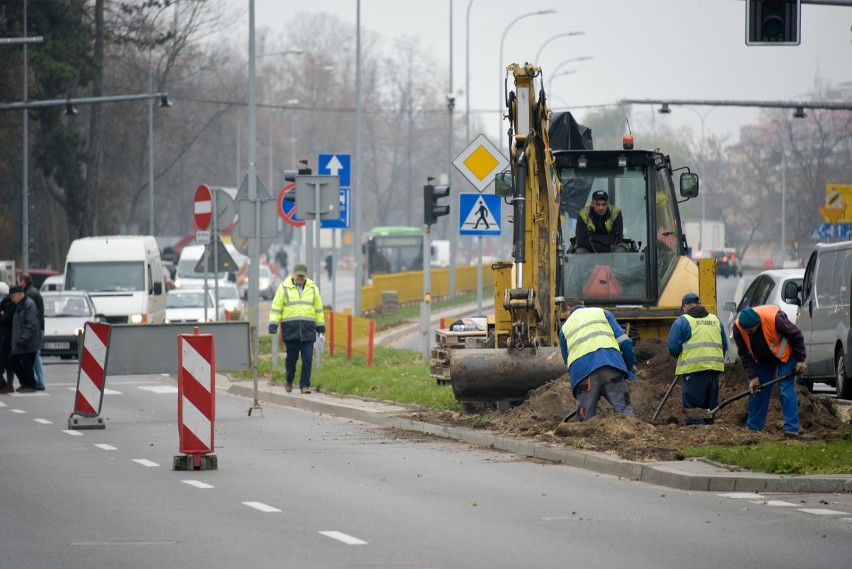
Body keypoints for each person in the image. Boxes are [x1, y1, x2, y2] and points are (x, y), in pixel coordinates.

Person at [732, 306, 807, 436]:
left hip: (786, 355)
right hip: (764, 357)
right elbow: (744, 354)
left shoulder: (775, 318)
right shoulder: (738, 329)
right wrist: (753, 377)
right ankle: (754, 428)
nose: (749, 332)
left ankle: (791, 428)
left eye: (752, 329)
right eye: (747, 330)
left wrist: (800, 360)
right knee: (757, 389)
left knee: (785, 388)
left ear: (758, 323)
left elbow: (797, 335)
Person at [558, 300, 637, 421]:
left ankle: (585, 438)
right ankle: (635, 438)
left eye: (565, 314)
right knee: (626, 414)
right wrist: (629, 364)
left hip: (584, 376)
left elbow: (568, 363)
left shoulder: (564, 329)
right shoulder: (602, 313)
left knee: (586, 423)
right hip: (612, 367)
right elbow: (624, 341)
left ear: (568, 308)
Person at [667, 292, 727, 425]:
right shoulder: (715, 320)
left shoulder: (682, 321)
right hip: (714, 370)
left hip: (693, 371)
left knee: (693, 408)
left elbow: (673, 348)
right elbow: (724, 345)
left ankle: (697, 437)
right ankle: (708, 437)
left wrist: (683, 356)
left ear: (686, 306)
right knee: (709, 408)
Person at [267, 263, 325, 394]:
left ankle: (304, 385)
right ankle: (289, 379)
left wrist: (320, 326)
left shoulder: (313, 288)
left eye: (302, 275)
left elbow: (318, 309)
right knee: (291, 359)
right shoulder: (284, 287)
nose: (300, 277)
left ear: (306, 275)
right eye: (298, 274)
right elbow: (276, 307)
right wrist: (273, 323)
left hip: (308, 329)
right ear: (293, 274)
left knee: (308, 358)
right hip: (291, 330)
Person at [9, 286, 41, 393]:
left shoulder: (28, 304)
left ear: (19, 294)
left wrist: (24, 338)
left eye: (13, 297)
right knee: (14, 361)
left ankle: (30, 385)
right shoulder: (19, 305)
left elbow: (32, 324)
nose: (12, 299)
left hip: (28, 341)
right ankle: (25, 383)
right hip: (21, 340)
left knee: (26, 364)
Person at [18, 273, 46, 390]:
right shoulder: (34, 291)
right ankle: (38, 380)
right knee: (34, 354)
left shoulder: (29, 294)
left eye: (19, 282)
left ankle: (40, 381)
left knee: (35, 355)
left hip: (35, 328)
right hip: (38, 326)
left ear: (23, 282)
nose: (18, 284)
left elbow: (32, 314)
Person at [0, 282, 15, 393]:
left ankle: (8, 384)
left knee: (8, 363)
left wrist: (2, 314)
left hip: (6, 337)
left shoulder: (9, 304)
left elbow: (7, 319)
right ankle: (3, 383)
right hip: (3, 336)